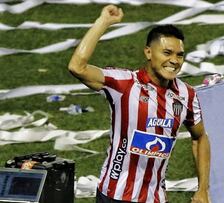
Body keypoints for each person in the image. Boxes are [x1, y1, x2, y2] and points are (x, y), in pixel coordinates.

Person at [68, 5, 211, 203]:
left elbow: (200, 137)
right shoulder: (125, 83)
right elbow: (77, 67)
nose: (174, 61)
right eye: (167, 53)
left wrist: (203, 188)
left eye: (179, 55)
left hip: (155, 198)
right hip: (115, 195)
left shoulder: (187, 94)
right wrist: (104, 22)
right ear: (148, 52)